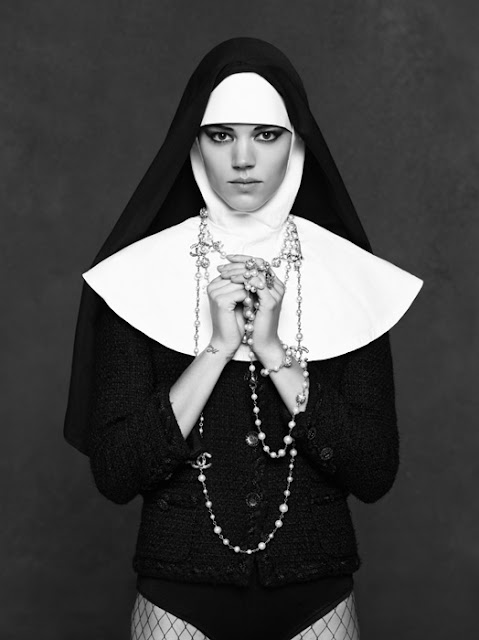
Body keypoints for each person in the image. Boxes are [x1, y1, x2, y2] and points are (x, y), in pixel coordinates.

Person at [63, 38, 424, 640]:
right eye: (221, 135)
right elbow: (117, 473)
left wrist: (276, 354)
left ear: (296, 144)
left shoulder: (348, 275)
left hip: (317, 595)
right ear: (195, 144)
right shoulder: (137, 275)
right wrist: (217, 348)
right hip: (177, 596)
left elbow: (373, 471)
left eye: (267, 135)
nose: (243, 159)